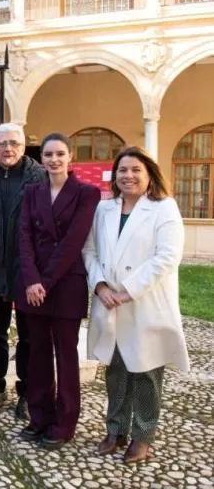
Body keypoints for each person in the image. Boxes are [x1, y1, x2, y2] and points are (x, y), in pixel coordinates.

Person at [82, 147, 188, 464]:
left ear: (149, 174)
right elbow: (89, 251)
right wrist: (100, 286)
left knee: (145, 374)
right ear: (115, 176)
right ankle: (115, 430)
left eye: (136, 170)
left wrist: (126, 291)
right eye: (123, 170)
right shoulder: (105, 209)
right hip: (109, 303)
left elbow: (167, 258)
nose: (128, 175)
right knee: (115, 373)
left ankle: (143, 437)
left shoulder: (163, 208)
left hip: (145, 303)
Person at [18, 133, 100, 449]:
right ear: (41, 159)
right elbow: (24, 237)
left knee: (66, 356)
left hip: (65, 283)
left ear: (70, 158)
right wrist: (30, 280)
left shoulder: (86, 193)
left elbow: (71, 243)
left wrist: (45, 281)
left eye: (60, 154)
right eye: (48, 154)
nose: (54, 159)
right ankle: (39, 417)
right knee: (37, 354)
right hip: (33, 285)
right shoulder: (31, 192)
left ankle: (64, 423)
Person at [0, 123, 46, 418]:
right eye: (2, 144)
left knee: (29, 337)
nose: (8, 149)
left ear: (23, 144)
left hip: (29, 272)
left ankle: (27, 394)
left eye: (14, 143)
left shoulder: (39, 177)